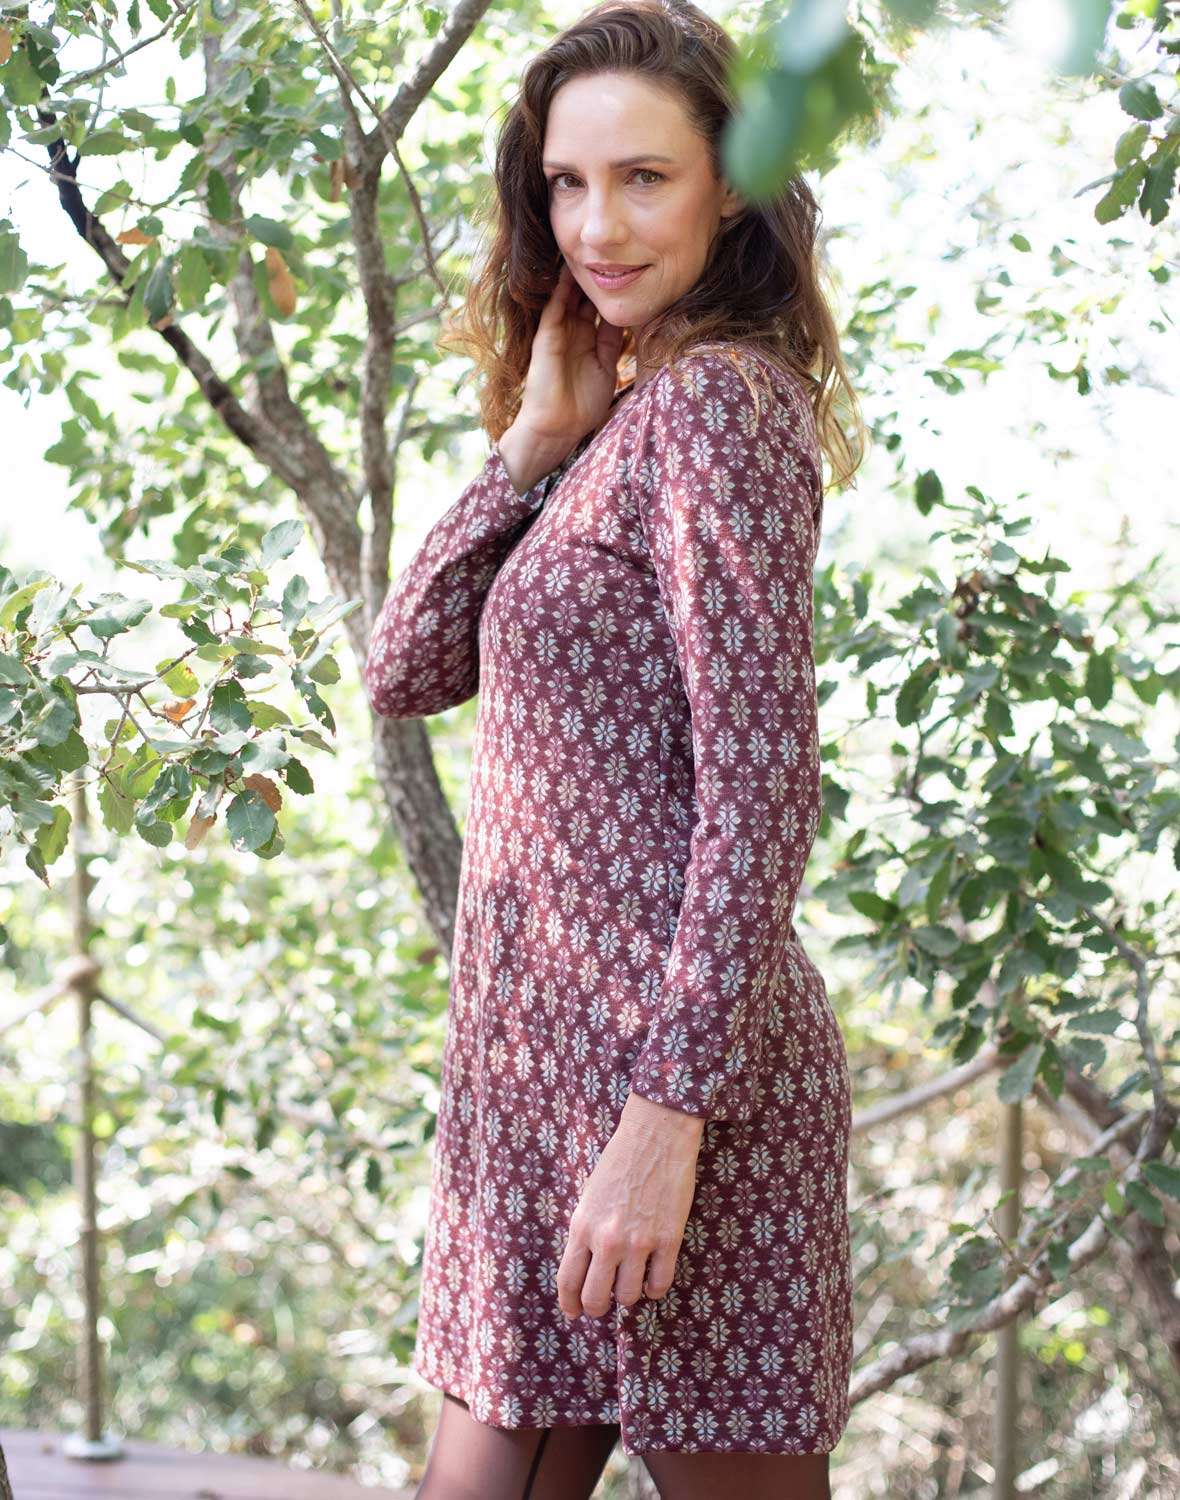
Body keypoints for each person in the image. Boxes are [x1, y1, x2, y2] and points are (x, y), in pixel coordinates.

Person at [363, 2, 865, 1495]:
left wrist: (665, 1121)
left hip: (670, 1092)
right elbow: (405, 670)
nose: (597, 227)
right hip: (535, 1089)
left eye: (644, 177)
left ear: (734, 188)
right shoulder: (619, 427)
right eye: (568, 184)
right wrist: (532, 443)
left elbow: (763, 784)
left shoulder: (718, 407)